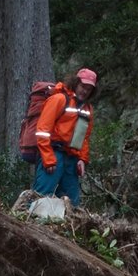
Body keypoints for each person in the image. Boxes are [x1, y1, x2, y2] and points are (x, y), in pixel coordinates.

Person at [32, 68, 98, 207]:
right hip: (53, 154)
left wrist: (82, 159)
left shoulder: (87, 109)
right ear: (75, 83)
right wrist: (48, 158)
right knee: (42, 197)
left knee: (71, 204)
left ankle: (66, 228)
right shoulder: (59, 99)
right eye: (83, 86)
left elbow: (84, 138)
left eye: (89, 89)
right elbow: (42, 131)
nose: (85, 91)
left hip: (72, 159)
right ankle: (29, 226)